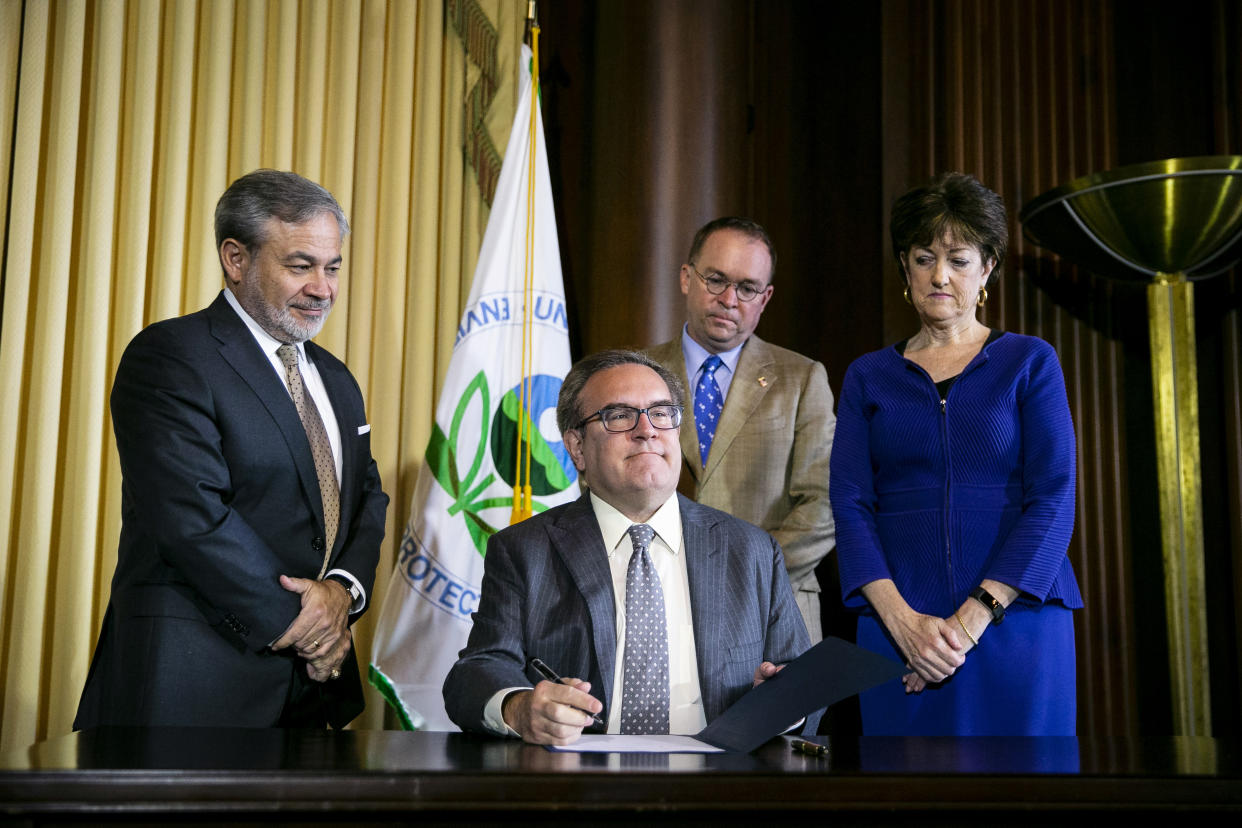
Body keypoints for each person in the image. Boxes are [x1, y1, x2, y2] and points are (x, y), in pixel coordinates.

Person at [74, 170, 389, 730]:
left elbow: (367, 497)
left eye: (333, 267)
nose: (323, 288)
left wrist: (343, 592)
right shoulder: (172, 355)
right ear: (236, 259)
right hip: (192, 682)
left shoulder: (337, 379)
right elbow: (192, 515)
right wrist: (311, 627)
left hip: (311, 692)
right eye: (301, 266)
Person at [443, 349, 809, 745]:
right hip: (582, 782)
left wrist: (779, 703)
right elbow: (475, 672)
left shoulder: (752, 550)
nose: (647, 430)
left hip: (719, 781)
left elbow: (805, 682)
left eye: (661, 413)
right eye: (619, 416)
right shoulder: (524, 550)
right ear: (577, 448)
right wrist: (520, 706)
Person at [830, 172, 1082, 736]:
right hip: (897, 632)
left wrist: (968, 623)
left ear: (988, 267)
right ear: (904, 267)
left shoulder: (1029, 362)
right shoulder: (867, 376)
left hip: (1016, 621)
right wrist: (904, 626)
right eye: (923, 258)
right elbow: (849, 505)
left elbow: (1054, 497)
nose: (939, 275)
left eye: (958, 259)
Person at [646, 217, 837, 642]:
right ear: (685, 278)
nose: (730, 299)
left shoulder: (802, 378)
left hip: (773, 610)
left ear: (765, 298)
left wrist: (745, 572)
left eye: (747, 288)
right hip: (656, 605)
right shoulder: (636, 375)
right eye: (716, 280)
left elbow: (825, 504)